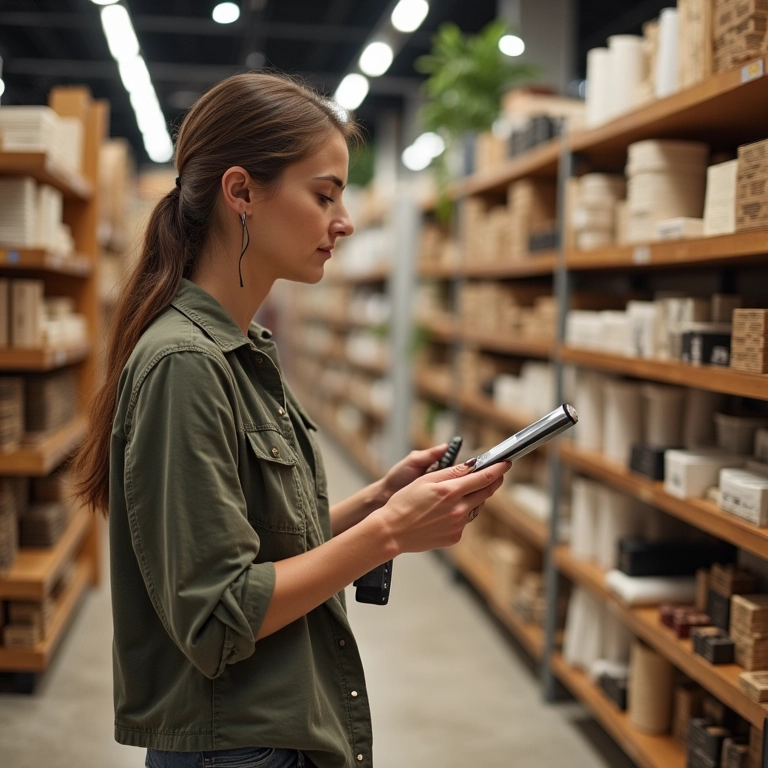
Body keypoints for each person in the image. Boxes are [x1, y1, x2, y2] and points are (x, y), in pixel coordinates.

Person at [74, 72, 511, 768]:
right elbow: (217, 616)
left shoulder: (246, 351)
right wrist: (389, 536)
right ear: (241, 192)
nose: (345, 220)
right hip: (235, 745)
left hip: (273, 724)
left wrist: (376, 504)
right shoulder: (186, 364)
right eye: (324, 195)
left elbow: (252, 547)